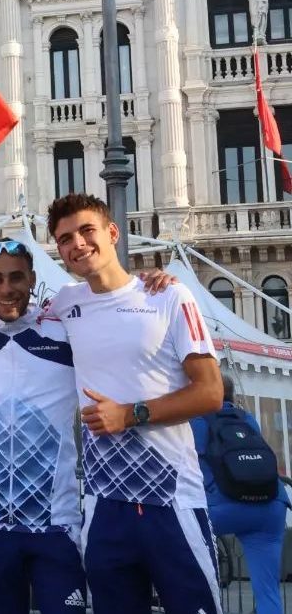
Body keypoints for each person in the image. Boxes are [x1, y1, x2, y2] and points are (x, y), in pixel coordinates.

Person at [46, 193, 223, 614]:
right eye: (65, 238)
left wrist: (129, 414)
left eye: (87, 231)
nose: (78, 244)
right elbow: (8, 317)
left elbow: (211, 392)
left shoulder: (168, 296)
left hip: (172, 500)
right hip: (105, 506)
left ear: (112, 232)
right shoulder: (63, 305)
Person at [0, 240, 86, 613]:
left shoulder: (65, 330)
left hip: (56, 527)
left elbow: (112, 303)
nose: (6, 288)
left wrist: (155, 282)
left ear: (32, 279)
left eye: (16, 277)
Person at [191, 375, 291, 614]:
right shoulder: (248, 419)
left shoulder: (195, 422)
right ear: (232, 395)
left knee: (184, 567)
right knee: (268, 593)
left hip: (221, 507)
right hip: (271, 505)